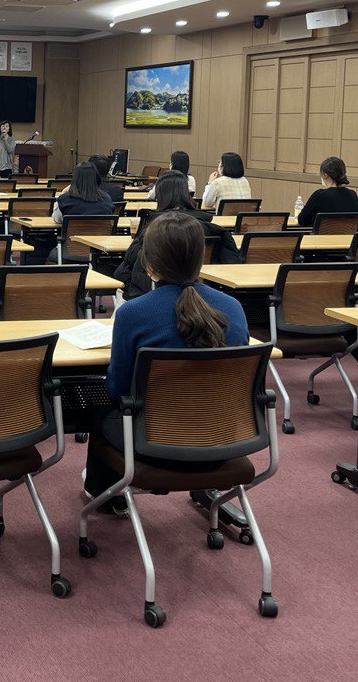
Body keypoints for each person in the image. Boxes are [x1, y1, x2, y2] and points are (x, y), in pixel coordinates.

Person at [83, 213, 249, 514]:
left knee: (99, 407)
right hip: (223, 439)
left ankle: (105, 494)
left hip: (154, 444)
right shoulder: (234, 308)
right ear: (201, 257)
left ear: (149, 264)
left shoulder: (133, 313)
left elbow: (118, 390)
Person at [114, 171, 241, 299]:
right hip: (202, 292)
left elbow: (127, 266)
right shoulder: (210, 228)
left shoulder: (154, 229)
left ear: (160, 195)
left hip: (157, 294)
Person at [296, 156, 358, 227]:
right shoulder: (352, 195)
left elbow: (302, 220)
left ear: (325, 175)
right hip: (347, 234)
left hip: (323, 234)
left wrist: (316, 219)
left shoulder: (319, 195)